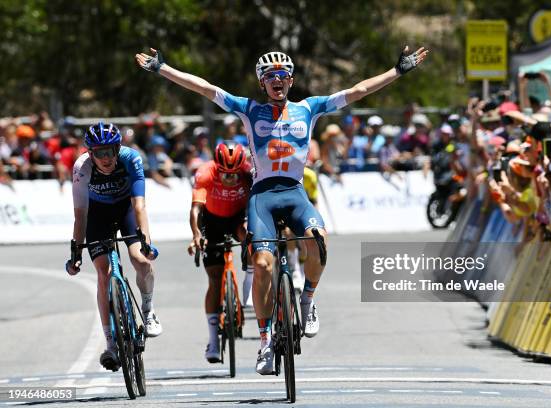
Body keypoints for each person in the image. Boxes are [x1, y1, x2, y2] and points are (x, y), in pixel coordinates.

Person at [135, 44, 428, 374]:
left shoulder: (310, 108)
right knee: (262, 264)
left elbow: (358, 91)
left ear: (291, 80)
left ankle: (308, 300)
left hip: (295, 194)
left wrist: (398, 71)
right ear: (262, 83)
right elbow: (203, 87)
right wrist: (162, 68)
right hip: (262, 197)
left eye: (283, 76)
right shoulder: (248, 110)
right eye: (270, 76)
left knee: (318, 240)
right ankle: (264, 341)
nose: (278, 80)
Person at [65, 122, 161, 372]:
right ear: (90, 153)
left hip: (127, 209)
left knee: (140, 260)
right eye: (99, 153)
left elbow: (140, 206)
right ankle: (110, 344)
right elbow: (80, 215)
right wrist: (76, 253)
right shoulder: (81, 168)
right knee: (103, 273)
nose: (106, 158)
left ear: (119, 148)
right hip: (97, 216)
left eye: (110, 151)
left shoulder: (131, 159)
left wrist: (147, 243)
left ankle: (149, 310)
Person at [187, 141, 253, 363]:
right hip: (212, 221)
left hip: (238, 218)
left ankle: (250, 281)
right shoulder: (205, 173)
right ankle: (213, 340)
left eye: (234, 175)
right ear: (217, 167)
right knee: (215, 279)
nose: (230, 179)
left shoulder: (247, 173)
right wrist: (196, 235)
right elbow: (196, 208)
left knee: (249, 236)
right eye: (225, 174)